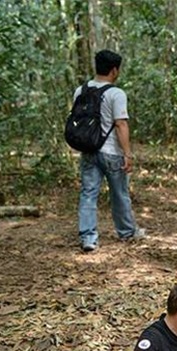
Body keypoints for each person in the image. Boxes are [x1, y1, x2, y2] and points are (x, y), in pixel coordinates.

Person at [76, 50, 145, 252]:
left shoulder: (80, 90)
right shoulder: (116, 94)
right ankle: (126, 232)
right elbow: (121, 124)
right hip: (112, 152)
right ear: (114, 70)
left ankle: (88, 238)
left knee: (88, 193)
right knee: (119, 193)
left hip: (89, 150)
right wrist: (128, 153)